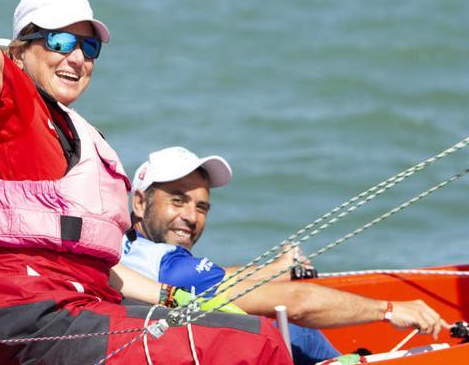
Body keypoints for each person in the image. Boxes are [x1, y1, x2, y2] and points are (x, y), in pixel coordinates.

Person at [0, 0, 292, 365]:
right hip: (40, 320)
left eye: (90, 47)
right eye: (60, 42)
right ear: (19, 52)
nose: (77, 58)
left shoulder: (71, 128)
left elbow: (101, 266)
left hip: (83, 306)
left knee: (246, 329)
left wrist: (172, 300)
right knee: (262, 344)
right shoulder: (5, 105)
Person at [121, 147, 449, 364]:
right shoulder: (171, 268)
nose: (192, 217)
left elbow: (222, 278)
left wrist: (277, 270)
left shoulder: (130, 248)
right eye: (178, 201)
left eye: (201, 206)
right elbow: (297, 302)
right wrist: (390, 309)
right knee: (279, 321)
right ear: (139, 202)